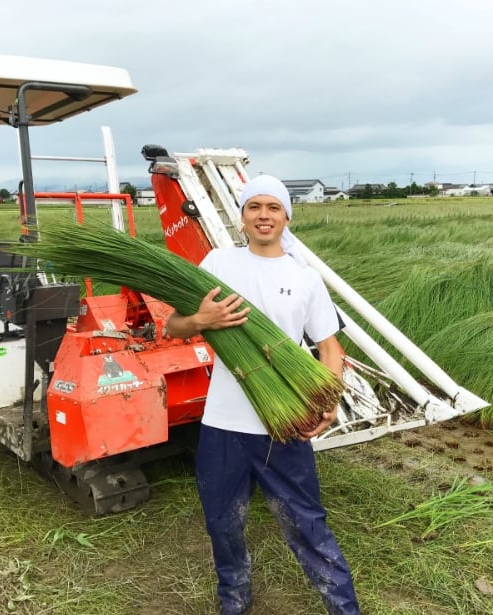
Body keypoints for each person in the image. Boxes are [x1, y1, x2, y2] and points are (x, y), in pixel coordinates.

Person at [165, 175, 360, 615]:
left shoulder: (305, 278)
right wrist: (201, 319)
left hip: (285, 423)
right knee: (222, 522)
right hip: (223, 426)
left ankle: (344, 607)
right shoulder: (218, 264)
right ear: (242, 217)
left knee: (306, 523)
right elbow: (172, 327)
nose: (264, 215)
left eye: (273, 207)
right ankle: (234, 599)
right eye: (255, 207)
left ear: (287, 216)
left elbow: (330, 349)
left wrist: (329, 400)